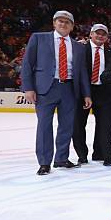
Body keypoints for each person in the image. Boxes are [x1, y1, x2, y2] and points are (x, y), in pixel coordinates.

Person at [21, 10, 92, 175]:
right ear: (54, 23)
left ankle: (61, 158)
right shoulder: (38, 38)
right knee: (44, 125)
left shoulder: (78, 46)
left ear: (72, 26)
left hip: (69, 88)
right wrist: (28, 88)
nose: (63, 24)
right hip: (46, 88)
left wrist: (87, 94)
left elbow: (81, 72)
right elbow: (27, 64)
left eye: (67, 22)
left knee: (66, 126)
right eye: (60, 21)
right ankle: (44, 162)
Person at [72, 24, 111, 164]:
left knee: (105, 125)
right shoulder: (80, 49)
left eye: (103, 34)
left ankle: (100, 153)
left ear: (107, 37)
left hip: (104, 92)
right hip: (82, 92)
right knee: (78, 125)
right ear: (91, 34)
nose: (100, 36)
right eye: (97, 33)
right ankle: (82, 155)